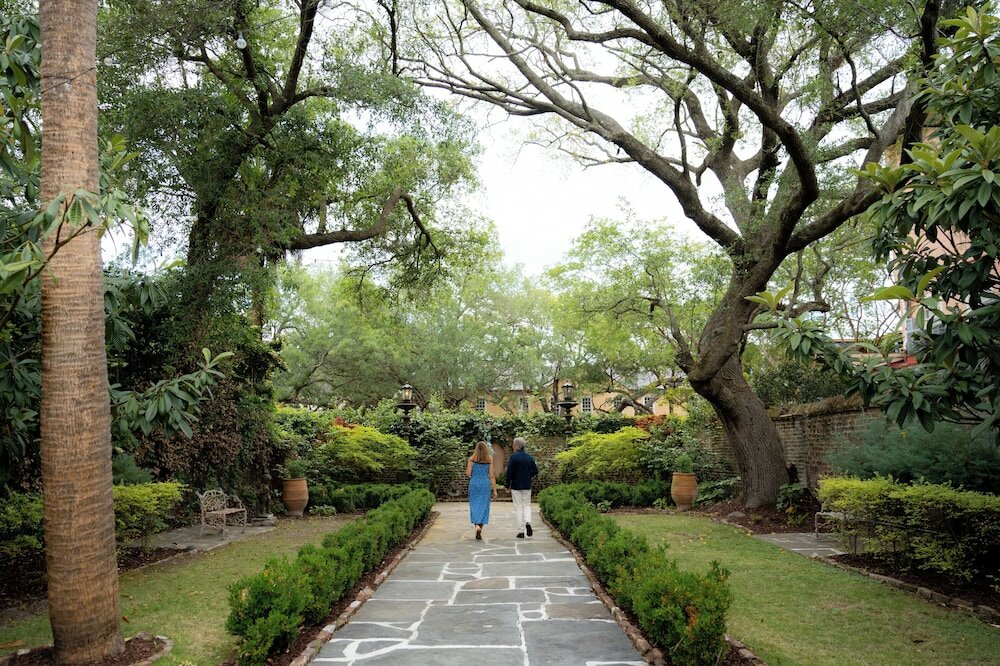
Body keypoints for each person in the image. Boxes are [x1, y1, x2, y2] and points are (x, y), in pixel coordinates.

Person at [505, 436, 538, 538]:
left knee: (518, 507)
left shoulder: (513, 457)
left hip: (516, 485)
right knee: (527, 505)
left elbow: (509, 473)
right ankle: (528, 521)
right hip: (527, 484)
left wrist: (507, 485)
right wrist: (528, 475)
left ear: (516, 445)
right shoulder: (529, 457)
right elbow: (535, 471)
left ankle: (521, 531)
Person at [465, 441, 498, 540]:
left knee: (474, 505)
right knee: (484, 506)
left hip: (474, 484)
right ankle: (480, 528)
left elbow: (468, 473)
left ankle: (476, 526)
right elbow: (492, 475)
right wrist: (494, 490)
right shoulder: (489, 459)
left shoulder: (471, 460)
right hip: (484, 485)